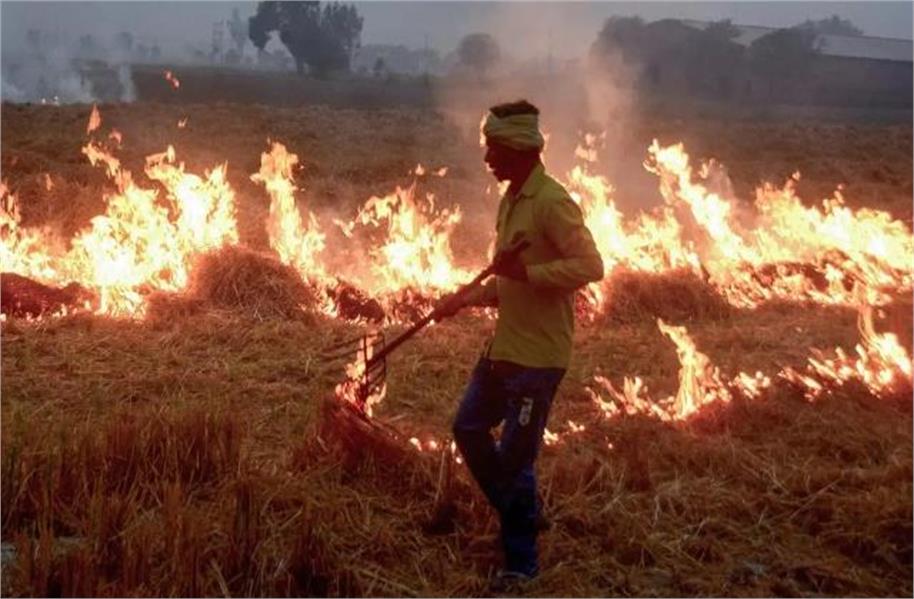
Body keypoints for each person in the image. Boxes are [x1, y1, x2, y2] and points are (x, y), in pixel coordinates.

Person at [435, 99, 604, 591]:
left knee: (514, 460)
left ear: (519, 148)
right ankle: (523, 513)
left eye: (495, 149)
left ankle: (521, 564)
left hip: (539, 357)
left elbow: (591, 266)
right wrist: (464, 300)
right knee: (468, 427)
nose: (487, 158)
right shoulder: (511, 200)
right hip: (505, 348)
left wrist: (529, 273)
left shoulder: (552, 202)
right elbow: (506, 279)